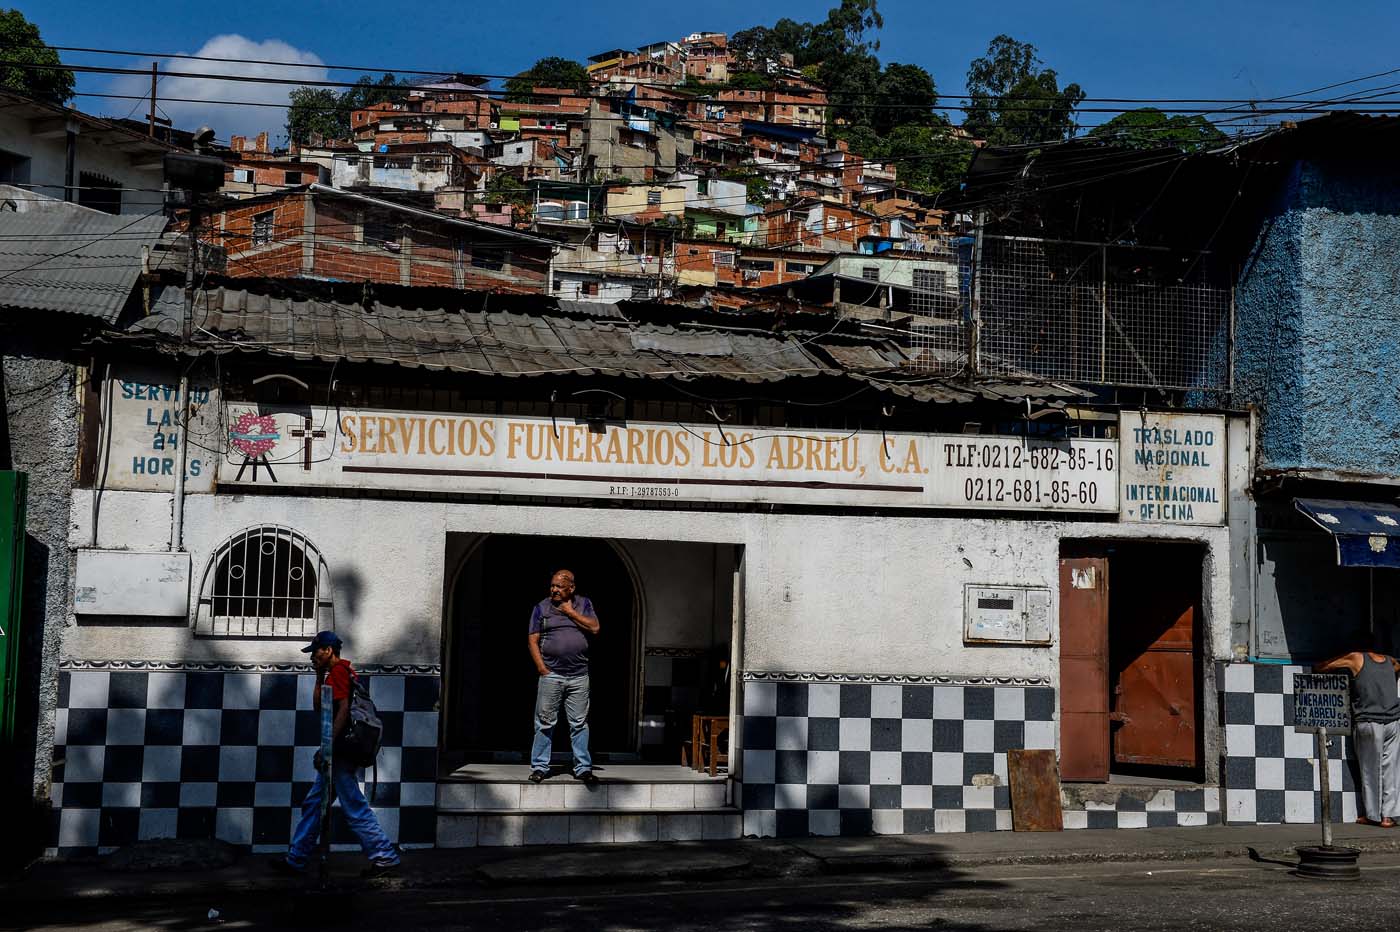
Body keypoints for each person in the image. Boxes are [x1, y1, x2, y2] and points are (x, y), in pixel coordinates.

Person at [271, 631, 401, 876]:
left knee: (353, 805)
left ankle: (385, 857)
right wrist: (319, 677)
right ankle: (296, 859)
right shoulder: (337, 673)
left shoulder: (340, 671)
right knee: (314, 804)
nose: (312, 657)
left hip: (339, 752)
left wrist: (328, 746)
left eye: (315, 652)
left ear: (328, 650)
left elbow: (341, 712)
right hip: (339, 751)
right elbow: (319, 707)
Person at [527, 569, 601, 785]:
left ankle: (583, 768)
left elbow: (595, 628)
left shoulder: (584, 604)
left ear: (572, 588)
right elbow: (532, 640)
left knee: (579, 723)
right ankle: (540, 767)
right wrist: (542, 668)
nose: (554, 590)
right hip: (551, 675)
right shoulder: (542, 607)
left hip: (579, 676)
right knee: (545, 722)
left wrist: (570, 612)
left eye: (559, 586)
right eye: (552, 586)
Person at [1314, 647, 1400, 827]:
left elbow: (1322, 667)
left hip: (1368, 722)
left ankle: (1372, 815)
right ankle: (1388, 817)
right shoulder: (1390, 661)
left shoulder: (1356, 657)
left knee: (1370, 770)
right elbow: (1397, 667)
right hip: (1393, 721)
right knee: (1391, 770)